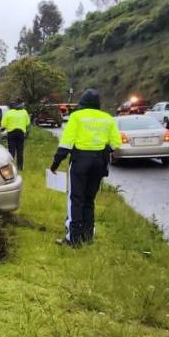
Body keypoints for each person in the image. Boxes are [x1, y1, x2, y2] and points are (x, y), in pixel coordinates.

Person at [50, 89, 121, 247]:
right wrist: (103, 150)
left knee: (75, 199)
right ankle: (88, 237)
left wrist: (55, 163)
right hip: (99, 163)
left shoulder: (77, 117)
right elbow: (116, 143)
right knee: (89, 200)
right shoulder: (108, 119)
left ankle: (73, 239)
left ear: (82, 104)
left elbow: (66, 143)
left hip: (80, 161)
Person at [1, 100, 30, 170]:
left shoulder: (8, 113)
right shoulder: (24, 112)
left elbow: (3, 124)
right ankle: (20, 167)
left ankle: (11, 167)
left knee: (11, 151)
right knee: (20, 150)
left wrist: (5, 128)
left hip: (11, 133)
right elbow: (28, 123)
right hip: (21, 133)